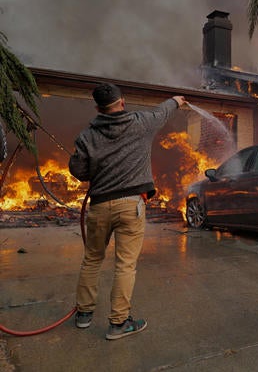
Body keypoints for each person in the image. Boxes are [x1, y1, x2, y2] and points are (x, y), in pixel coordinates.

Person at [69, 82, 186, 340]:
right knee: (125, 265)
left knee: (92, 259)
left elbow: (78, 170)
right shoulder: (140, 122)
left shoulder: (87, 135)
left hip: (99, 206)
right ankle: (118, 323)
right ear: (122, 102)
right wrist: (176, 100)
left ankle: (84, 315)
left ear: (98, 108)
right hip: (131, 206)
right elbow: (163, 111)